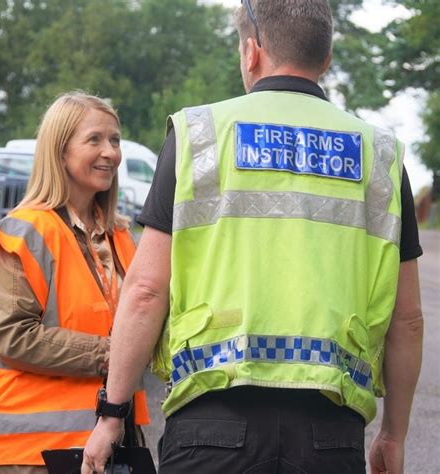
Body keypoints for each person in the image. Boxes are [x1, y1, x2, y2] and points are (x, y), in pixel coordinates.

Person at [82, 1, 423, 472]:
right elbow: (407, 320)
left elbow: (145, 291)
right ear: (325, 60)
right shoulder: (380, 154)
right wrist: (393, 434)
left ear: (251, 51)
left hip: (211, 427)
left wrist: (112, 414)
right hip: (329, 433)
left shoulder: (200, 135)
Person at [0, 92, 150, 473]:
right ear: (60, 151)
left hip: (103, 445)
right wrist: (115, 353)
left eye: (115, 140)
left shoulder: (119, 237)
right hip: (26, 454)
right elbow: (13, 336)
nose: (111, 152)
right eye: (94, 139)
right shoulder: (26, 232)